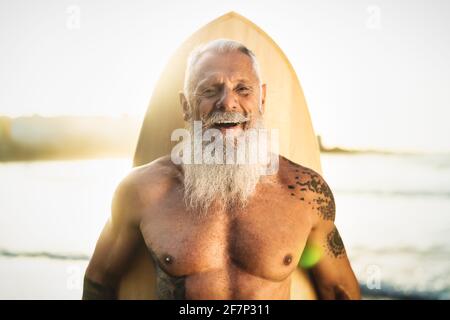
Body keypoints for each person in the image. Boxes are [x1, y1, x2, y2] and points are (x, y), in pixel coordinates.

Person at [82, 39, 360, 300]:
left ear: (262, 99)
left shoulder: (305, 194)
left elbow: (339, 290)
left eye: (243, 89)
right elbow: (99, 281)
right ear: (186, 106)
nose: (227, 102)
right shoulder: (142, 191)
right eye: (209, 90)